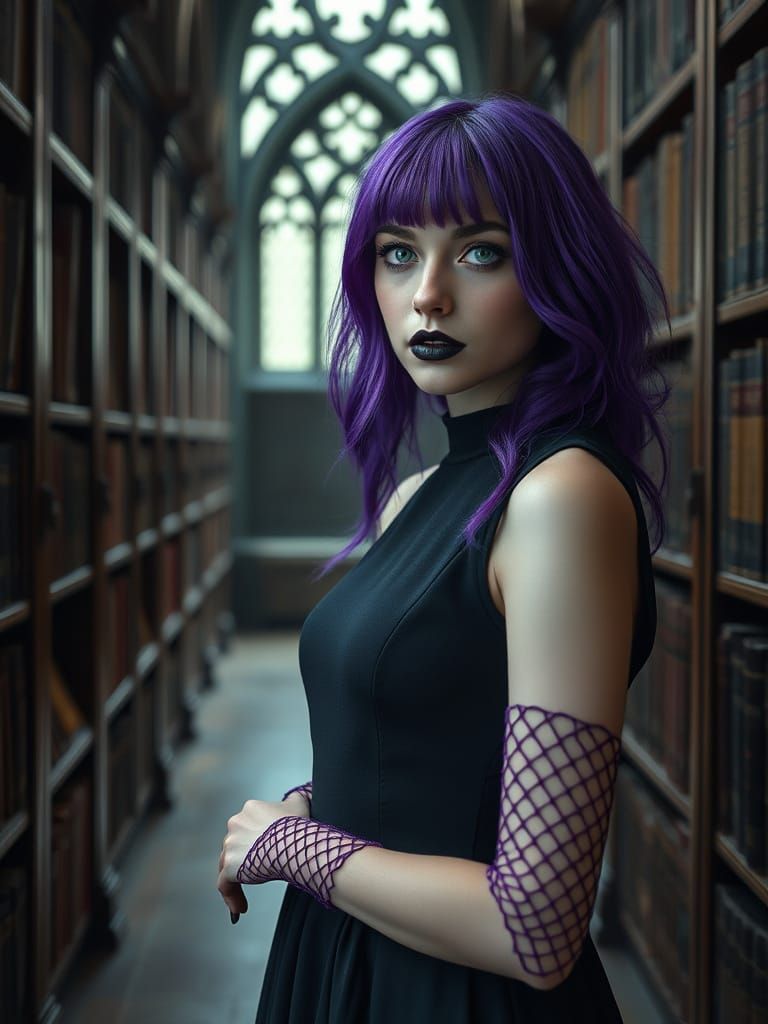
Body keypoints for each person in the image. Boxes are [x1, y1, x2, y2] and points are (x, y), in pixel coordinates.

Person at [217, 93, 671, 1022]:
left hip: (454, 996)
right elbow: (418, 743)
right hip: (345, 960)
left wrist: (291, 846)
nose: (427, 294)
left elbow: (537, 928)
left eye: (479, 252)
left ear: (556, 270)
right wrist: (310, 801)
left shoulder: (560, 498)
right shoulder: (413, 497)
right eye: (397, 253)